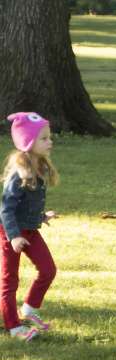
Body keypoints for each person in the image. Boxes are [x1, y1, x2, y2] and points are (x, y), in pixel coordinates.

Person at [0, 112, 58, 342]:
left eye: (49, 137)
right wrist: (13, 237)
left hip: (30, 231)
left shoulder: (39, 167)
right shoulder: (18, 174)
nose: (50, 142)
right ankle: (13, 327)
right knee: (9, 280)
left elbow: (27, 204)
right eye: (44, 138)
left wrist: (41, 216)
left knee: (48, 269)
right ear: (28, 142)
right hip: (10, 232)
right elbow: (6, 209)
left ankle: (30, 309)